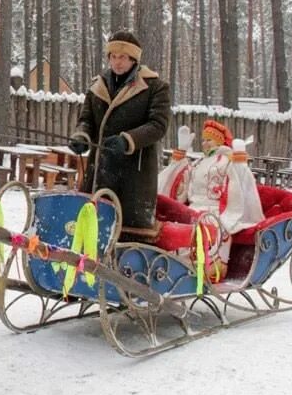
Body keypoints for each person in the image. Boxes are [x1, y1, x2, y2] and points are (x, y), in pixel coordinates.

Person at [68, 30, 170, 240]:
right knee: (94, 230)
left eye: (122, 57)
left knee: (128, 235)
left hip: (134, 177)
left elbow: (158, 125)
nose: (117, 62)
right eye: (113, 57)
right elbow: (86, 120)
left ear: (134, 59)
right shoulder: (97, 86)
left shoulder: (155, 88)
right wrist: (82, 137)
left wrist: (128, 140)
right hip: (100, 171)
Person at [157, 120, 265, 282]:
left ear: (219, 141)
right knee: (178, 227)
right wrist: (181, 154)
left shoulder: (227, 161)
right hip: (192, 210)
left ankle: (204, 270)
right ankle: (175, 267)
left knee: (207, 228)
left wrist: (240, 160)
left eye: (209, 140)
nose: (204, 144)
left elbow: (241, 184)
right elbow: (182, 186)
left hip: (216, 211)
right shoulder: (199, 163)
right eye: (203, 140)